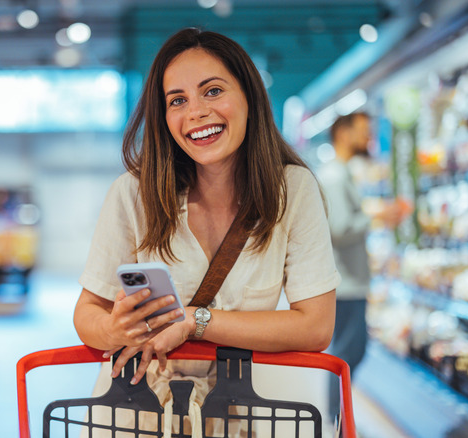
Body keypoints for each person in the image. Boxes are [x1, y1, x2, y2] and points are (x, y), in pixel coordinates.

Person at [73, 27, 341, 436]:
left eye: (212, 91)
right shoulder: (133, 193)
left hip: (249, 415)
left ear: (249, 96)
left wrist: (195, 321)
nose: (195, 112)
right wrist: (113, 328)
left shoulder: (293, 190)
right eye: (177, 100)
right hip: (140, 416)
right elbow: (87, 311)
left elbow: (315, 326)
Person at [318, 111, 407, 423]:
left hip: (348, 280)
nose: (369, 138)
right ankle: (335, 418)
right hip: (345, 282)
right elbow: (340, 228)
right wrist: (379, 215)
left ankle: (337, 416)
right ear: (343, 134)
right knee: (348, 352)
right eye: (363, 132)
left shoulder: (340, 174)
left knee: (349, 350)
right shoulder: (334, 176)